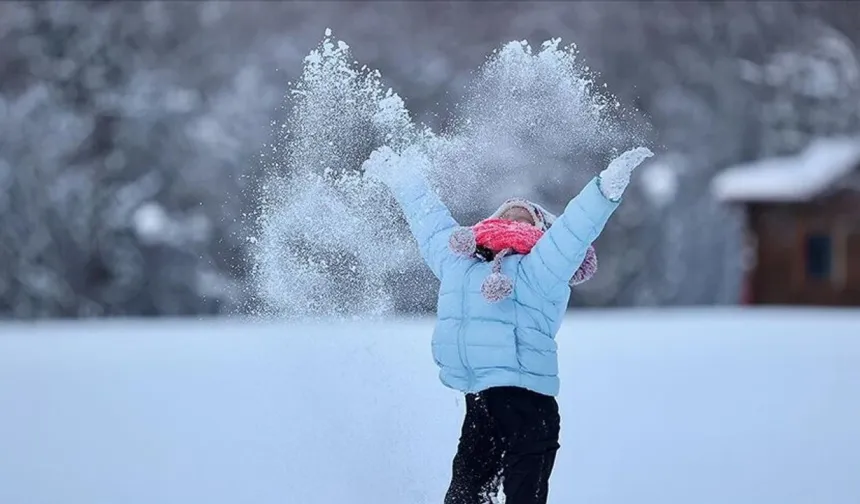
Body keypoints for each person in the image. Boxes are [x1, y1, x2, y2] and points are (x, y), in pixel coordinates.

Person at [361, 144, 653, 504]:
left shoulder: (542, 267)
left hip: (530, 403)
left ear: (542, 232)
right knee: (463, 496)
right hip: (481, 401)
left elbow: (574, 230)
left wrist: (605, 188)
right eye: (507, 215)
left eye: (525, 218)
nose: (515, 220)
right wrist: (403, 179)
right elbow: (431, 224)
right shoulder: (460, 264)